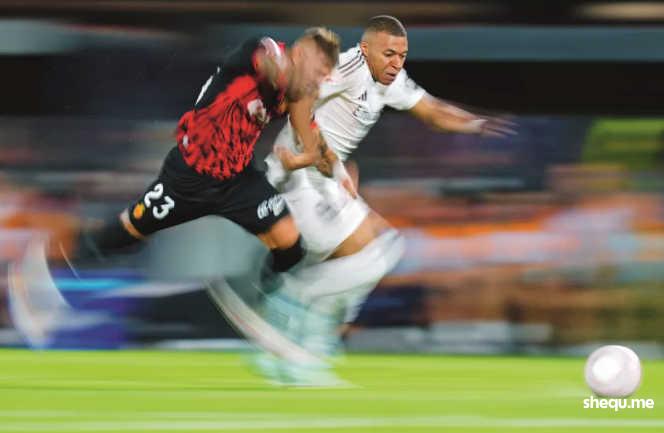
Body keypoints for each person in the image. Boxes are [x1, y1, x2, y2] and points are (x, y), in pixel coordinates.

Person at [8, 28, 341, 352]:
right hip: (190, 176)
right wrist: (297, 89)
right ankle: (40, 260)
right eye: (318, 71)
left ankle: (259, 308)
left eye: (324, 76)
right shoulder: (264, 51)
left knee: (290, 245)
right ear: (300, 54)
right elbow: (269, 66)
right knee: (125, 236)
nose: (319, 80)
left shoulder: (297, 96)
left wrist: (334, 170)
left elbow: (310, 138)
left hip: (237, 180)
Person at [256, 15, 515, 385]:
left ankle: (295, 352)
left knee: (372, 258)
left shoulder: (390, 82)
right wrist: (319, 155)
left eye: (402, 55)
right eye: (388, 54)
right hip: (297, 178)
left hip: (324, 182)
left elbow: (433, 110)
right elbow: (300, 96)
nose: (396, 63)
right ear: (365, 49)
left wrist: (476, 123)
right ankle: (293, 303)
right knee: (377, 253)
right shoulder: (347, 67)